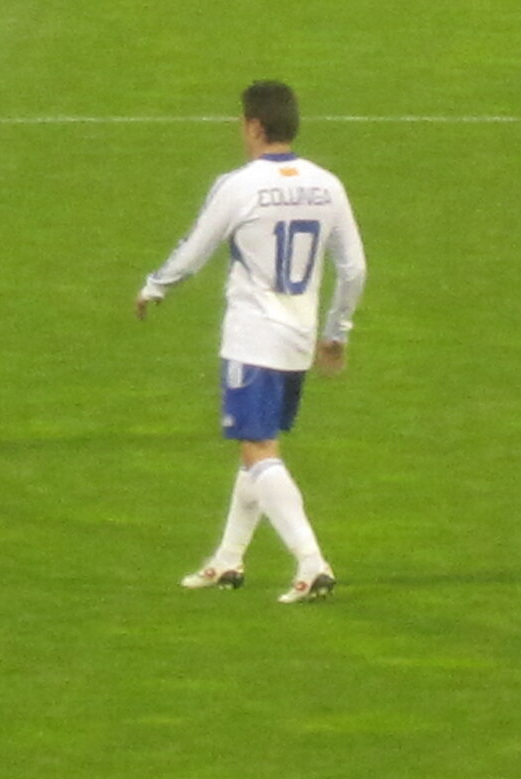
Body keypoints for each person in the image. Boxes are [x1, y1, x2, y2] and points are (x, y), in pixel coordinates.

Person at [136, 80, 366, 602]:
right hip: (299, 340)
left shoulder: (238, 186)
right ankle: (228, 560)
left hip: (252, 339)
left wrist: (155, 286)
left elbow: (196, 248)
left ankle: (311, 562)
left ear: (255, 127)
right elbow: (353, 267)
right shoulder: (328, 184)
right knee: (258, 448)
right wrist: (336, 332)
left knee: (259, 451)